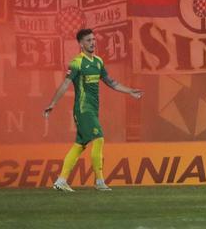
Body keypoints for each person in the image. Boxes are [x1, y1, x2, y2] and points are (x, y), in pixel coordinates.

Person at [44, 27, 144, 192]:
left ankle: (61, 181)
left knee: (79, 145)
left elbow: (111, 82)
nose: (92, 43)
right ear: (81, 43)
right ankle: (99, 181)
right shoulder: (77, 62)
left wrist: (130, 91)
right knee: (99, 138)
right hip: (83, 109)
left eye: (93, 40)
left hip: (92, 109)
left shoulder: (98, 62)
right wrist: (52, 104)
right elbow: (65, 84)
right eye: (88, 40)